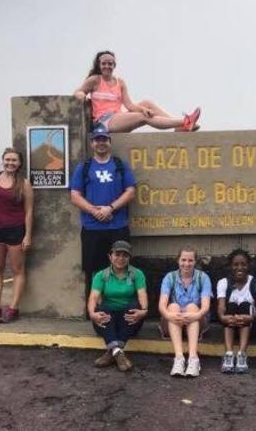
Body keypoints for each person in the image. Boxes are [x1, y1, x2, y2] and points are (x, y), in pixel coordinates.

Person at [70, 127, 136, 309]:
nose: (101, 143)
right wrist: (94, 211)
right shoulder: (84, 168)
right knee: (96, 271)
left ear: (109, 142)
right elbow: (75, 195)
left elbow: (130, 192)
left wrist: (110, 208)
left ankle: (121, 306)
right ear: (92, 143)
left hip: (118, 226)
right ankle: (99, 309)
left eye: (104, 139)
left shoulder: (120, 165)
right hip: (92, 228)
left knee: (122, 267)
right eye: (97, 139)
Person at [74, 50, 201, 133]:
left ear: (114, 65)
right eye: (104, 64)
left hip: (119, 117)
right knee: (143, 117)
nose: (107, 66)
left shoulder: (120, 82)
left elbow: (129, 105)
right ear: (99, 65)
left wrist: (142, 109)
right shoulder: (95, 80)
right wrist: (81, 95)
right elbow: (79, 91)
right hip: (104, 122)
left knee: (147, 103)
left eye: (110, 64)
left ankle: (178, 127)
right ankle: (185, 122)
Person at [0, 147, 34, 323]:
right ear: (2, 160)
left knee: (17, 270)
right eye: (7, 160)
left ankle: (13, 308)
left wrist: (27, 235)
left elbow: (29, 212)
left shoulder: (25, 184)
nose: (10, 163)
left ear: (19, 163)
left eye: (14, 160)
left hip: (16, 230)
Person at [88, 240, 148, 372]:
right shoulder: (101, 275)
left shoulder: (136, 274)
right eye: (117, 254)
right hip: (107, 320)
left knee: (134, 306)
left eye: (125, 255)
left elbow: (142, 295)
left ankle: (112, 352)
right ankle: (118, 352)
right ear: (110, 256)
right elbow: (93, 297)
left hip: (128, 320)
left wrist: (143, 311)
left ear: (129, 258)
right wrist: (92, 314)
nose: (121, 258)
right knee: (102, 309)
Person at [158, 247, 212, 378]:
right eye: (183, 260)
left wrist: (196, 315)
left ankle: (193, 358)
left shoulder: (203, 278)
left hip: (195, 323)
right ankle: (179, 358)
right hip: (173, 322)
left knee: (193, 306)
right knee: (173, 306)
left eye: (190, 260)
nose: (186, 264)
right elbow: (161, 305)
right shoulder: (169, 277)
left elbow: (205, 306)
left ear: (195, 261)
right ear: (178, 260)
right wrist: (169, 315)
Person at [216, 248, 256, 373]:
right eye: (236, 265)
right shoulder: (223, 283)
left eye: (243, 264)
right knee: (231, 305)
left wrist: (251, 318)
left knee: (244, 305)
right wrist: (223, 317)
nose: (240, 268)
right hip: (231, 326)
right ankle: (228, 354)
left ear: (248, 266)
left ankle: (242, 354)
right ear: (230, 267)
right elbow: (221, 307)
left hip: (252, 327)